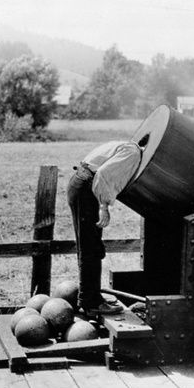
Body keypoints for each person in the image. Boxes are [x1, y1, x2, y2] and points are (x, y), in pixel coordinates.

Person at [67, 135, 149, 315]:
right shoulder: (133, 153)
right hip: (87, 190)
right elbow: (104, 175)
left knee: (90, 246)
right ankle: (91, 303)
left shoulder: (125, 145)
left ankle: (90, 298)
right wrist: (104, 207)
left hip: (82, 184)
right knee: (91, 248)